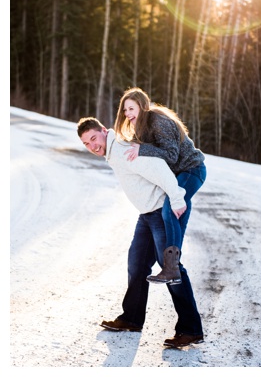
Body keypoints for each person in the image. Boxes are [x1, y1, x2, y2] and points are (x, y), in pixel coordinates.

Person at [77, 117, 203, 348]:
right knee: (136, 264)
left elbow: (158, 169)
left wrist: (176, 198)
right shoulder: (113, 152)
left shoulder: (123, 149)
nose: (93, 146)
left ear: (104, 131)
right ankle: (132, 318)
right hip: (146, 214)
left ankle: (191, 328)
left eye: (94, 138)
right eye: (87, 144)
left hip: (160, 211)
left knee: (171, 267)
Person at [113, 87, 206, 285]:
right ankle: (173, 266)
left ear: (142, 105)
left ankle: (171, 268)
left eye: (131, 108)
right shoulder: (141, 127)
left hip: (192, 169)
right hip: (179, 174)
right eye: (125, 110)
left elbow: (171, 155)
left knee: (168, 210)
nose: (127, 114)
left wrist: (143, 148)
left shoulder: (158, 121)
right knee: (178, 209)